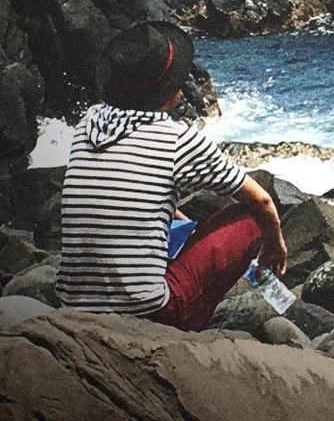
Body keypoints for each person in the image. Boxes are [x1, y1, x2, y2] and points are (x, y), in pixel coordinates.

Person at [55, 21, 287, 331]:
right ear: (171, 92)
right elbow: (260, 199)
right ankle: (189, 326)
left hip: (73, 305)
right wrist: (274, 243)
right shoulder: (176, 139)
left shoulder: (89, 122)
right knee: (247, 219)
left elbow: (134, 195)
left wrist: (180, 222)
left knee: (181, 221)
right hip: (148, 313)